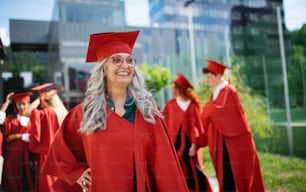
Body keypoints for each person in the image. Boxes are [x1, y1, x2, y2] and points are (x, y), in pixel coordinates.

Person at [42, 30, 189, 192]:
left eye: (130, 60)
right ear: (103, 69)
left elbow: (165, 164)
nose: (125, 65)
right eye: (117, 60)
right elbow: (60, 151)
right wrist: (76, 173)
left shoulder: (146, 109)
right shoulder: (85, 112)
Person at [201, 58, 265, 192]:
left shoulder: (229, 90)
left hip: (236, 142)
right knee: (227, 175)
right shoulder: (217, 92)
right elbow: (208, 113)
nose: (207, 80)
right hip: (223, 142)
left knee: (237, 176)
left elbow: (218, 111)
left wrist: (206, 111)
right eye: (206, 77)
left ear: (218, 75)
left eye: (209, 77)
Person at [163, 73, 213, 192]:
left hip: (190, 146)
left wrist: (194, 146)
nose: (172, 90)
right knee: (176, 169)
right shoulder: (170, 105)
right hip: (174, 145)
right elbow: (164, 124)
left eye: (174, 87)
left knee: (192, 170)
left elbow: (198, 128)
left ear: (179, 89)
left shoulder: (192, 107)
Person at [29, 83, 79, 191]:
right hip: (63, 156)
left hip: (49, 156)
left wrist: (39, 98)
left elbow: (28, 112)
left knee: (50, 186)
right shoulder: (63, 113)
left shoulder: (47, 113)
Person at [0, 91, 37, 192]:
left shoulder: (34, 120)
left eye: (24, 104)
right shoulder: (11, 120)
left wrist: (17, 136)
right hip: (13, 159)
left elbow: (36, 137)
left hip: (30, 157)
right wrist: (6, 103)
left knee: (29, 182)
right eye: (18, 104)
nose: (21, 107)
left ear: (29, 104)